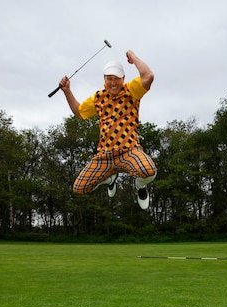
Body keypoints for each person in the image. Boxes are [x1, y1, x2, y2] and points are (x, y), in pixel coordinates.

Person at [58, 50, 157, 210]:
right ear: (104, 79)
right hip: (104, 156)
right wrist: (67, 91)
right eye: (109, 78)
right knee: (79, 188)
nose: (113, 83)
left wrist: (133, 58)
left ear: (123, 79)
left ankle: (140, 185)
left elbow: (148, 77)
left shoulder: (132, 91)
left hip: (129, 151)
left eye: (117, 78)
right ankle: (110, 179)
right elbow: (78, 112)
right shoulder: (98, 98)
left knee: (149, 171)